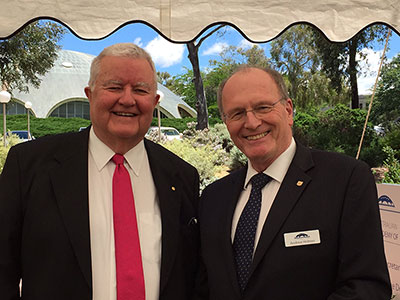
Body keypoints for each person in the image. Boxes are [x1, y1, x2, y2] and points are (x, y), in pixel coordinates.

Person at [0, 43, 201, 300]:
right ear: (90, 94)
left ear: (155, 101)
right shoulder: (29, 166)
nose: (127, 100)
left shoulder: (182, 176)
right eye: (114, 87)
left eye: (140, 90)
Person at [198, 65, 392, 299]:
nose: (251, 122)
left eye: (263, 107)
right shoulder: (213, 197)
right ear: (226, 122)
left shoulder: (346, 180)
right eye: (237, 113)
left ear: (288, 110)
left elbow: (367, 286)